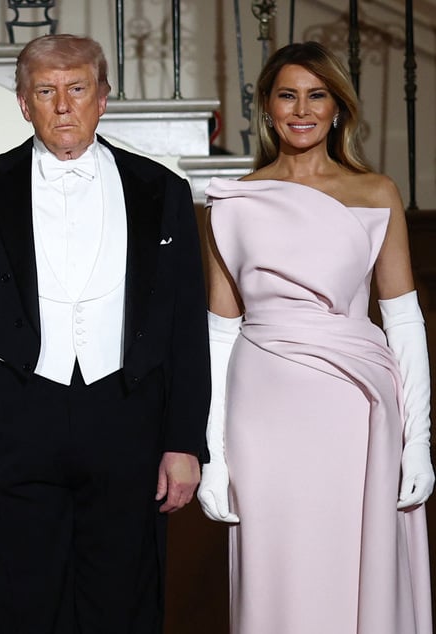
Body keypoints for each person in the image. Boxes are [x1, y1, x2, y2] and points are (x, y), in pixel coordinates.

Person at [0, 34, 210, 633]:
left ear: (102, 98)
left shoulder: (164, 191)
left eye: (77, 89)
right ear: (23, 104)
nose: (63, 106)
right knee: (18, 601)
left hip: (127, 418)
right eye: (46, 92)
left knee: (125, 602)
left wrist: (185, 442)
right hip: (14, 420)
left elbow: (186, 327)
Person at [198, 41, 434, 633]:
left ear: (337, 107)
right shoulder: (232, 201)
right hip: (263, 409)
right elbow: (220, 333)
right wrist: (212, 456)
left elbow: (403, 321)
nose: (302, 109)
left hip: (356, 407)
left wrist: (419, 442)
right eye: (287, 95)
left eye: (317, 95)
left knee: (355, 566)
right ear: (268, 107)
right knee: (277, 574)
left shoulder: (375, 192)